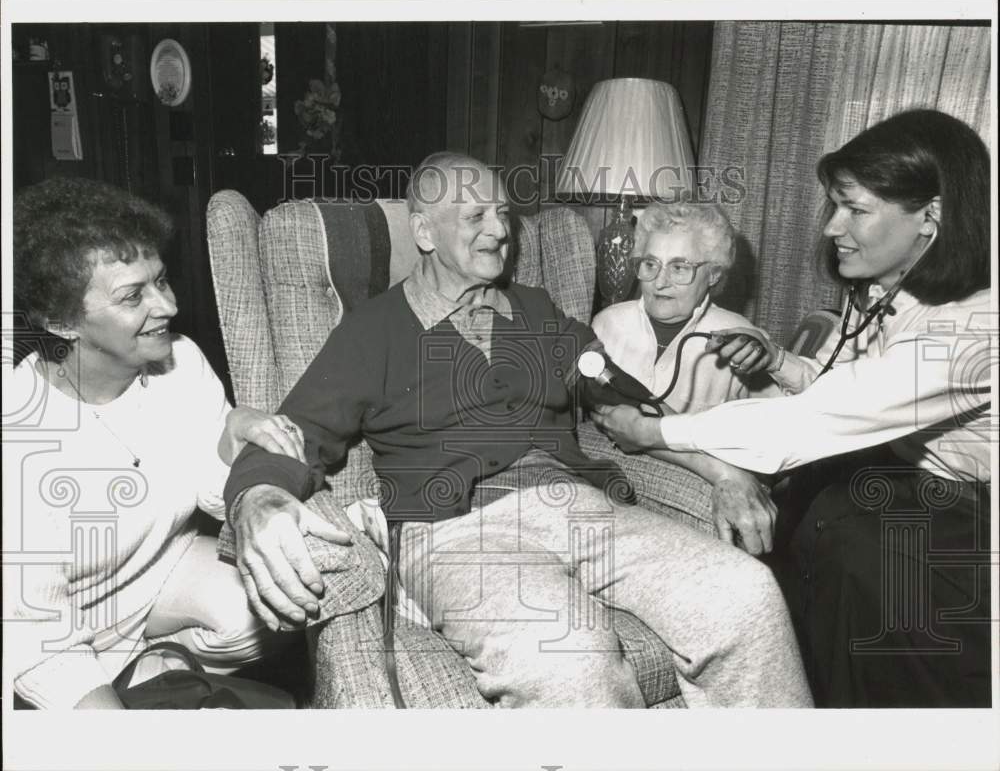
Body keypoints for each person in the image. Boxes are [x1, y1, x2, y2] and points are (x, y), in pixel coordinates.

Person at [223, 151, 813, 708]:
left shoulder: (536, 310)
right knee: (569, 656)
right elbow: (294, 431)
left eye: (503, 214)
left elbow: (625, 410)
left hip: (581, 508)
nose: (499, 230)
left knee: (748, 596)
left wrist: (724, 471)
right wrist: (257, 498)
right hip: (455, 534)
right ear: (425, 233)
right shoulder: (372, 330)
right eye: (475, 216)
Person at [591, 109, 992, 707]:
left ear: (930, 216)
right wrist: (777, 361)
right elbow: (831, 381)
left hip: (958, 519)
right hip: (886, 477)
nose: (833, 227)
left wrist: (655, 433)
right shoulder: (884, 291)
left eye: (855, 209)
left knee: (856, 558)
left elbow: (817, 419)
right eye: (834, 206)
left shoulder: (972, 324)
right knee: (802, 519)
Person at [7, 178, 306, 709]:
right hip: (51, 631)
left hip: (158, 580)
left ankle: (154, 660)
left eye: (161, 281)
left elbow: (216, 496)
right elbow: (37, 642)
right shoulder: (19, 436)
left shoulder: (181, 360)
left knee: (275, 602)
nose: (167, 305)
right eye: (132, 296)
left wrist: (234, 448)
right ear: (60, 321)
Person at [591, 201, 780, 554]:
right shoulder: (607, 324)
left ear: (714, 274)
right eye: (650, 264)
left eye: (680, 267)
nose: (660, 281)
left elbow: (772, 439)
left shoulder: (741, 339)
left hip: (688, 495)